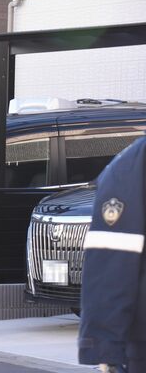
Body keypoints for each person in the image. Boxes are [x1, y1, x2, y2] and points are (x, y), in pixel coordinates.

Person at [78, 137, 146, 373]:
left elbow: (111, 262)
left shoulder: (133, 164)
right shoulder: (135, 164)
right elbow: (113, 258)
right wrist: (105, 347)